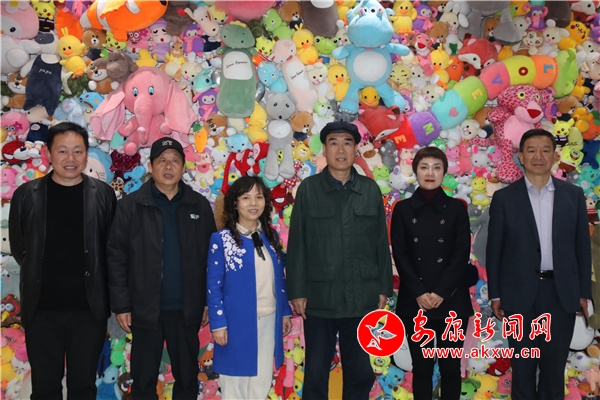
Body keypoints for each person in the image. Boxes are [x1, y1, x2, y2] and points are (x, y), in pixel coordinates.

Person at [9, 122, 117, 399]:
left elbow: (111, 249)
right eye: (62, 151)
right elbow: (21, 248)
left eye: (78, 151)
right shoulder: (26, 195)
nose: (71, 158)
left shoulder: (104, 195)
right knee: (45, 389)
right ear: (48, 153)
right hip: (41, 310)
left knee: (83, 387)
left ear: (86, 154)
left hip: (88, 310)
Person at [286, 120, 393, 399]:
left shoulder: (370, 190)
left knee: (359, 372)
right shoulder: (309, 189)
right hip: (319, 296)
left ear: (356, 149)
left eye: (347, 143)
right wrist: (297, 291)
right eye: (334, 143)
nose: (341, 150)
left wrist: (383, 286)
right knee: (316, 372)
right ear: (325, 149)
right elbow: (297, 243)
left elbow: (380, 243)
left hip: (361, 295)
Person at [107, 138, 216, 399]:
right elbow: (116, 257)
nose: (169, 166)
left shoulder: (198, 205)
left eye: (175, 160)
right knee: (143, 380)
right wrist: (122, 305)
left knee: (187, 378)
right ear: (151, 166)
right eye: (162, 160)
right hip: (144, 309)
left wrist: (206, 301)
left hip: (186, 309)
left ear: (183, 167)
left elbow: (211, 259)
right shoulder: (130, 206)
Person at [486, 129, 591, 399]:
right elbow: (494, 251)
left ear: (555, 156)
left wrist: (584, 293)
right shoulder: (504, 199)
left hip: (561, 294)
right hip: (518, 295)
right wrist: (496, 294)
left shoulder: (573, 195)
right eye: (531, 150)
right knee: (522, 369)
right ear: (521, 157)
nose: (538, 156)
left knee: (553, 370)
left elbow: (582, 248)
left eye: (545, 150)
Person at [390, 146, 472, 400]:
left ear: (444, 173)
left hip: (452, 300)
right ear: (415, 171)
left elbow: (461, 254)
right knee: (422, 368)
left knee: (451, 368)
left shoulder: (457, 209)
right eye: (424, 167)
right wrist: (419, 292)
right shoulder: (403, 209)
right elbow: (400, 254)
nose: (430, 173)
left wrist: (440, 292)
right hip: (415, 302)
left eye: (436, 168)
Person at [207, 176, 293, 400]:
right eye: (246, 197)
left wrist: (285, 312)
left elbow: (279, 280)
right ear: (235, 203)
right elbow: (213, 286)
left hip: (269, 320)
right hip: (235, 323)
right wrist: (218, 323)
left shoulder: (271, 236)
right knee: (234, 385)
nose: (253, 203)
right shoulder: (221, 239)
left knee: (260, 383)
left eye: (259, 197)